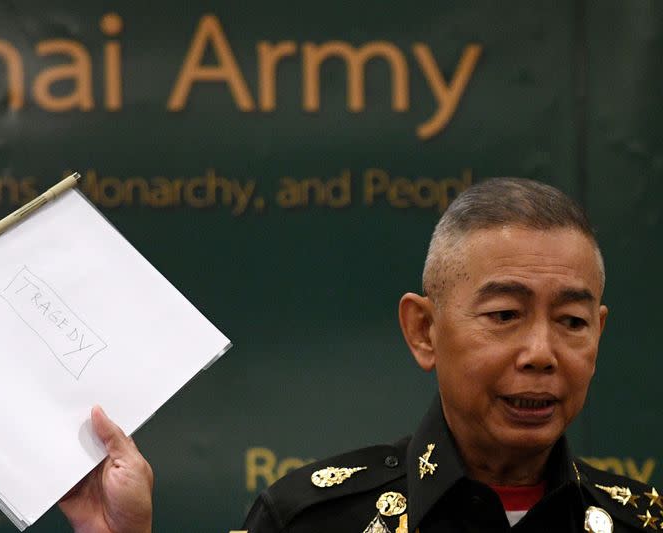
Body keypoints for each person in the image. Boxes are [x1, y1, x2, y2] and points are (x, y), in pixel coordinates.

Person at [59, 178, 659, 532]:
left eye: (572, 322)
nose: (541, 353)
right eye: (504, 315)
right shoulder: (308, 520)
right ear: (424, 330)